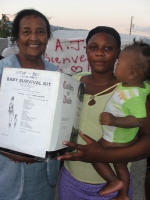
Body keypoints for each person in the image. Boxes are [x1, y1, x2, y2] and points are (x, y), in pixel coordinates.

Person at [57, 26, 150, 200]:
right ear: (86, 51)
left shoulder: (131, 90)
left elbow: (147, 142)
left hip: (113, 186)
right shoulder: (74, 81)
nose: (100, 53)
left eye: (108, 48)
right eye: (93, 47)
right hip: (71, 179)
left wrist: (103, 155)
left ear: (118, 54)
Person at [0, 9, 60, 200]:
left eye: (40, 31)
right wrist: (9, 150)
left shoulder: (55, 74)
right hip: (6, 173)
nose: (34, 37)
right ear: (16, 36)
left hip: (44, 176)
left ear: (47, 37)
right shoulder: (3, 71)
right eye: (26, 31)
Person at [92, 42, 150, 200]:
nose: (116, 65)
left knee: (94, 154)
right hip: (122, 138)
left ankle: (112, 181)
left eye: (119, 63)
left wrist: (114, 120)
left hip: (115, 138)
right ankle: (123, 194)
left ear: (131, 74)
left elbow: (139, 120)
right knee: (121, 166)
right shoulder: (137, 86)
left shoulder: (135, 96)